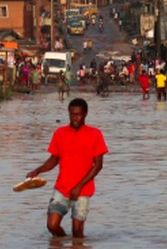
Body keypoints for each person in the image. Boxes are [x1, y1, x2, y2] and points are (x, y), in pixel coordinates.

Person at [26, 98, 108, 238]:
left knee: (77, 231)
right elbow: (54, 159)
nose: (75, 118)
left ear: (85, 114)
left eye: (78, 114)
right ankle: (61, 248)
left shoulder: (95, 134)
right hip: (62, 188)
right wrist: (37, 170)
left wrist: (79, 186)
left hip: (83, 190)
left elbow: (98, 165)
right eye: (71, 114)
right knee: (52, 226)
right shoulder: (60, 133)